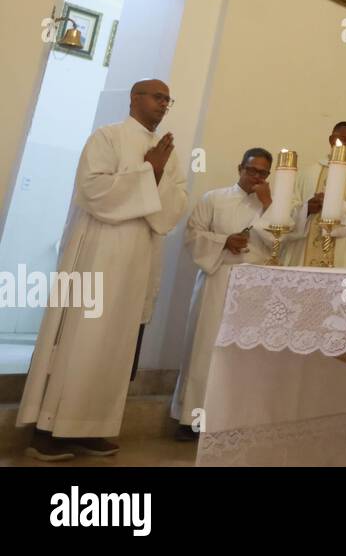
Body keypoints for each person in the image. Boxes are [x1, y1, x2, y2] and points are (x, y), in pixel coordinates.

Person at [20, 79, 188, 461]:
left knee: (116, 345)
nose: (164, 105)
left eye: (168, 100)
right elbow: (92, 189)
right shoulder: (106, 136)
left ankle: (90, 427)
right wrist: (148, 174)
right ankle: (47, 429)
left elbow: (177, 201)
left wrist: (157, 175)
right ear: (135, 98)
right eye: (157, 97)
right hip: (98, 250)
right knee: (81, 337)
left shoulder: (170, 152)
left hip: (138, 256)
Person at [171, 148, 277, 440]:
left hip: (253, 285)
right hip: (217, 277)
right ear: (239, 167)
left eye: (263, 173)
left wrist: (269, 205)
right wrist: (223, 241)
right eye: (252, 170)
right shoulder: (213, 199)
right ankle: (192, 419)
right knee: (204, 347)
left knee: (241, 354)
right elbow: (192, 235)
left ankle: (232, 418)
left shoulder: (271, 205)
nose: (256, 177)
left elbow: (279, 241)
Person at [282, 121, 346, 269]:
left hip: (344, 252)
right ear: (331, 140)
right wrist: (307, 209)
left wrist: (334, 205)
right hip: (304, 250)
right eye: (344, 140)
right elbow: (287, 209)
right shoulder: (308, 173)